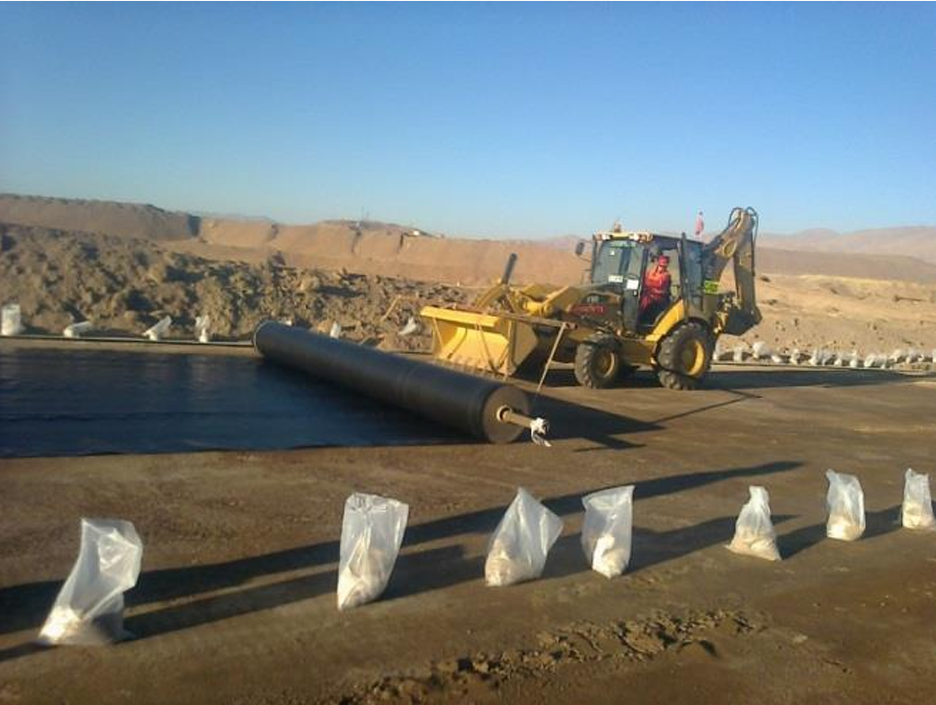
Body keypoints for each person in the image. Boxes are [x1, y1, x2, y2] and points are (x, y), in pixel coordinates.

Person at [639, 254, 672, 322]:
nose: (662, 268)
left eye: (664, 266)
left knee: (647, 304)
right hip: (646, 295)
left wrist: (652, 291)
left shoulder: (666, 276)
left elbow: (664, 291)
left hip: (658, 299)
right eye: (661, 266)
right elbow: (643, 282)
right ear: (658, 264)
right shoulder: (649, 273)